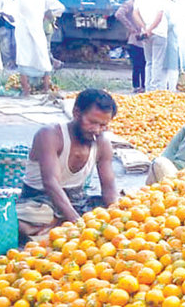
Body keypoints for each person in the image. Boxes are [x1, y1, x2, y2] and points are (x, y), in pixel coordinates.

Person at [15, 88, 119, 238]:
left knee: (121, 204)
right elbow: (50, 183)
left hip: (78, 200)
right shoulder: (50, 135)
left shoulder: (102, 142)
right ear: (76, 113)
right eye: (92, 122)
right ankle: (58, 223)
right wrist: (77, 222)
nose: (96, 130)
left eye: (103, 125)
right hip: (40, 200)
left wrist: (116, 216)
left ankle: (56, 225)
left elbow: (109, 187)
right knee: (27, 220)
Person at [4, 0, 65, 97]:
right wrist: (48, 14)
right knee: (42, 57)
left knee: (23, 58)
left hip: (22, 30)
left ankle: (26, 91)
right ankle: (46, 88)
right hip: (37, 28)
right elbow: (59, 7)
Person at [133, 0, 172, 91]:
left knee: (148, 61)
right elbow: (159, 15)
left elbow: (135, 13)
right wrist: (151, 29)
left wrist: (145, 28)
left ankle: (148, 87)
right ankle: (155, 88)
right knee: (157, 62)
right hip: (159, 32)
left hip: (145, 33)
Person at [115, 0, 148, 92]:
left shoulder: (132, 2)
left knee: (138, 64)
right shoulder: (133, 3)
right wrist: (132, 28)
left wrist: (130, 28)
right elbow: (119, 14)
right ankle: (141, 86)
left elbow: (119, 14)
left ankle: (138, 86)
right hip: (137, 37)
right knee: (142, 63)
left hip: (136, 37)